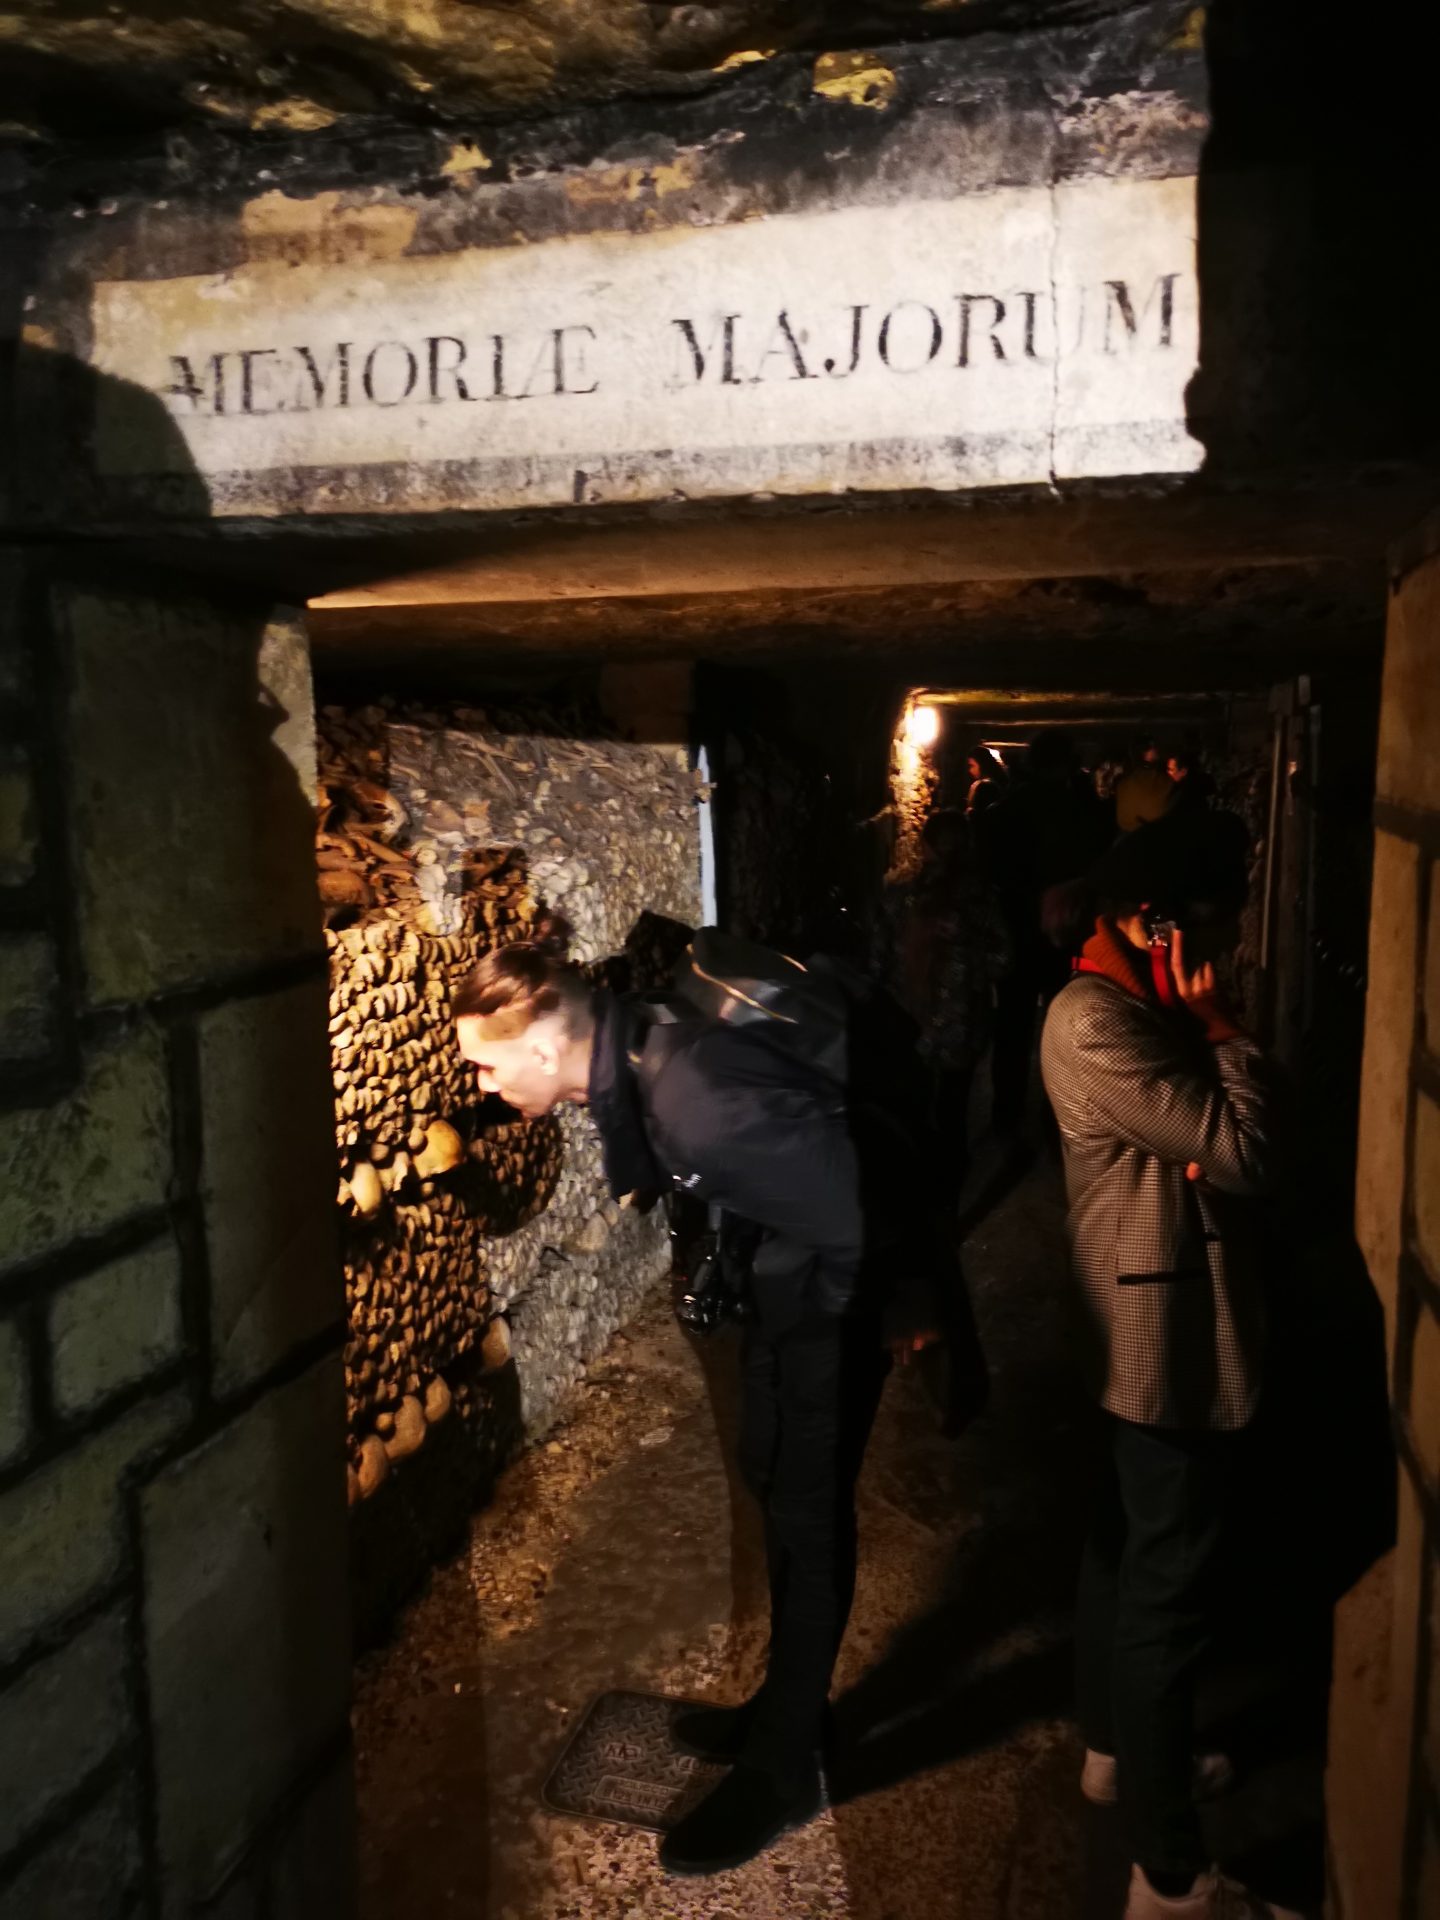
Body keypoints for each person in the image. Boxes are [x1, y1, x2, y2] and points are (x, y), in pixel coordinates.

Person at [452, 919, 971, 1875]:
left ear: (540, 1044)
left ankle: (785, 1771)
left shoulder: (693, 1101)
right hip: (791, 1277)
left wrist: (831, 1324)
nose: (484, 1090)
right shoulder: (641, 1041)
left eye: (487, 1070)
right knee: (772, 1475)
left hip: (829, 1294)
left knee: (809, 1521)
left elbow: (857, 1212)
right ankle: (784, 1708)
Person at [1040, 812, 1299, 1920]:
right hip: (1163, 1340)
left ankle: (1119, 1755)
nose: (1224, 953)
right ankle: (1172, 1879)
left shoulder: (1120, 1008)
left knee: (1125, 1551)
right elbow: (1245, 1157)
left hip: (1145, 1322)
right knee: (1167, 1594)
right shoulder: (1099, 1023)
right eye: (1213, 934)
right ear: (1155, 925)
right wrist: (1225, 1030)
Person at [980, 731, 1110, 1136]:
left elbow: (990, 869)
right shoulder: (1080, 811)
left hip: (1017, 930)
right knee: (1064, 1027)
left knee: (1013, 1027)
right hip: (1062, 933)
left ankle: (1006, 1115)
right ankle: (1059, 1119)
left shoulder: (1005, 812)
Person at [878, 807, 1009, 1198]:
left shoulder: (898, 896)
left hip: (908, 1027)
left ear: (926, 846)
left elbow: (876, 961)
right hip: (960, 1030)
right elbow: (1004, 961)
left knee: (908, 1113)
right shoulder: (984, 900)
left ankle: (915, 1197)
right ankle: (947, 1202)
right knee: (951, 1116)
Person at [1115, 738, 1176, 834]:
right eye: (1152, 747)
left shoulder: (1125, 782)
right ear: (1144, 752)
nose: (1156, 749)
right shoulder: (1160, 781)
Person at [1166, 748, 1217, 812]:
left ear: (1183, 771)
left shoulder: (1185, 795)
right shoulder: (1198, 785)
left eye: (1171, 769)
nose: (1168, 772)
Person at [965, 746, 1006, 820]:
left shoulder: (984, 786)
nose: (970, 770)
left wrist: (970, 812)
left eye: (972, 765)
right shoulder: (999, 783)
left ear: (982, 764)